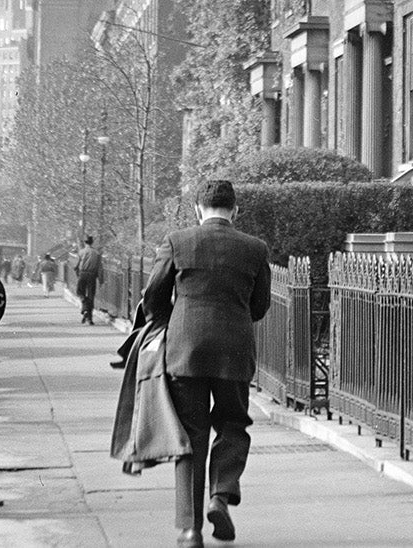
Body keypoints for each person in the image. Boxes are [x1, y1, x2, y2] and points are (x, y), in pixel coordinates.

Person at [143, 178, 270, 548]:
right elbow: (259, 306)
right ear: (235, 210)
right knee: (233, 424)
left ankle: (190, 529)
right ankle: (221, 493)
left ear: (198, 209)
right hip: (234, 349)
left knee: (190, 436)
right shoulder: (254, 248)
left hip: (186, 351)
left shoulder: (177, 242)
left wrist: (175, 320)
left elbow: (153, 296)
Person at [76, 234, 102, 324]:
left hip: (83, 274)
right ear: (92, 242)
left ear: (84, 242)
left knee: (80, 292)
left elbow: (76, 265)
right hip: (92, 275)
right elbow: (100, 267)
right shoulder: (97, 253)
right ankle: (89, 318)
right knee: (91, 296)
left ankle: (85, 308)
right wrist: (101, 279)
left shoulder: (81, 252)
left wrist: (77, 274)